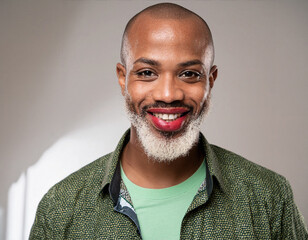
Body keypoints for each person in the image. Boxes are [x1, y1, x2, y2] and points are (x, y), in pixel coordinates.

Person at [30, 3, 307, 239]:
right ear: (122, 78)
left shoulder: (269, 198)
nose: (168, 95)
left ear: (210, 81)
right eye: (148, 72)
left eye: (189, 74)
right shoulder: (61, 208)